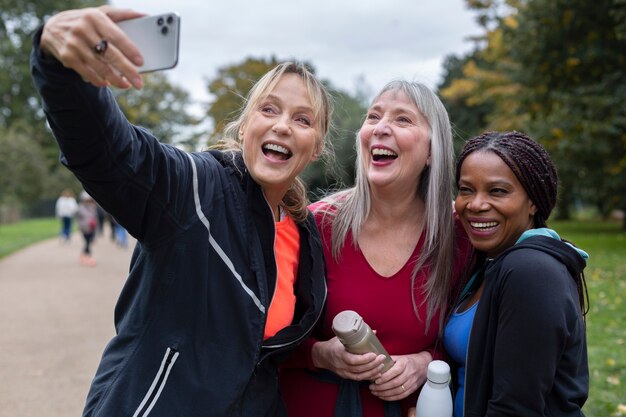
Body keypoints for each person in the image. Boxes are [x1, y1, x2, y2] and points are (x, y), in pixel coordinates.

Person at [31, 6, 331, 416]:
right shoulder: (196, 186)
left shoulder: (307, 234)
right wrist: (61, 70)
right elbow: (114, 154)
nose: (282, 126)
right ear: (245, 126)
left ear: (316, 146)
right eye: (269, 109)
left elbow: (260, 357)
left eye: (302, 119)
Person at [280, 80, 473, 417]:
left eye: (403, 120)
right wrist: (321, 353)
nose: (381, 128)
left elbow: (472, 341)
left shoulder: (458, 237)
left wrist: (425, 361)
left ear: (432, 151)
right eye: (373, 117)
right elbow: (267, 336)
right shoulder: (317, 225)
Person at [442, 131, 589, 417]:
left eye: (497, 191)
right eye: (466, 189)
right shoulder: (490, 264)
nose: (475, 204)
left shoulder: (531, 271)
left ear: (533, 201)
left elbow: (516, 410)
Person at [76, 191, 99, 266]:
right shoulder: (80, 208)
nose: (88, 201)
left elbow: (95, 217)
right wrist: (81, 226)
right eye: (86, 199)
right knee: (87, 242)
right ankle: (90, 257)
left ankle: (82, 255)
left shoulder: (93, 207)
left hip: (92, 228)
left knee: (89, 242)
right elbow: (78, 219)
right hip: (84, 228)